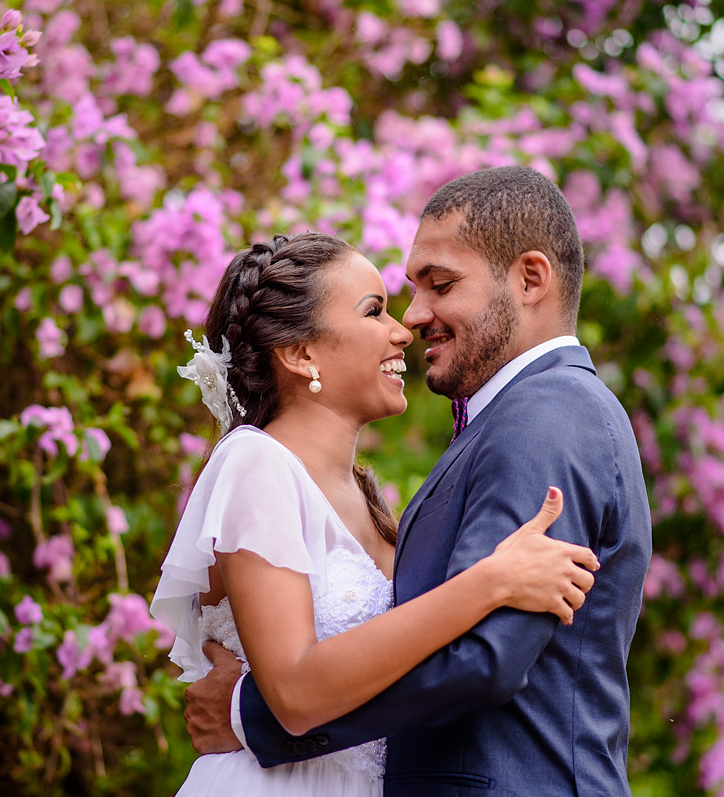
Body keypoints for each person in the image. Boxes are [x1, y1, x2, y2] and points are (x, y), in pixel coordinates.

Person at [185, 166, 653, 796]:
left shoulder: (545, 414)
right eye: (389, 302)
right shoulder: (274, 467)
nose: (412, 318)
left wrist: (251, 716)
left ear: (530, 278)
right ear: (298, 353)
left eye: (441, 285)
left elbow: (484, 655)